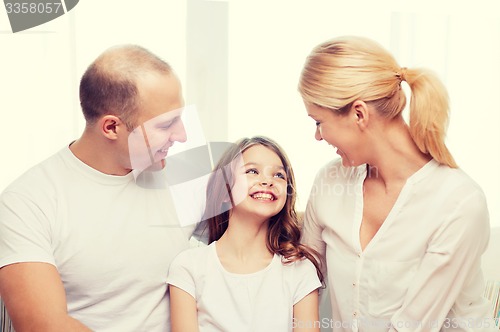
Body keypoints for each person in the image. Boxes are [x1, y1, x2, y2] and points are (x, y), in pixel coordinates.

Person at [298, 36, 495, 331]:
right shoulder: (329, 181)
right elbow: (303, 280)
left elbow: (412, 326)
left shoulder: (459, 203)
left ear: (359, 114)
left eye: (318, 122)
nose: (318, 136)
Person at [0, 45, 193, 331]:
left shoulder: (185, 173)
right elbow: (43, 326)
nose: (182, 136)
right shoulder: (27, 202)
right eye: (166, 125)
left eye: (180, 117)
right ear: (112, 127)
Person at [167, 136, 323, 332]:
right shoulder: (188, 267)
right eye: (252, 171)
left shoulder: (300, 270)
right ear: (224, 190)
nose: (267, 181)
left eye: (279, 175)